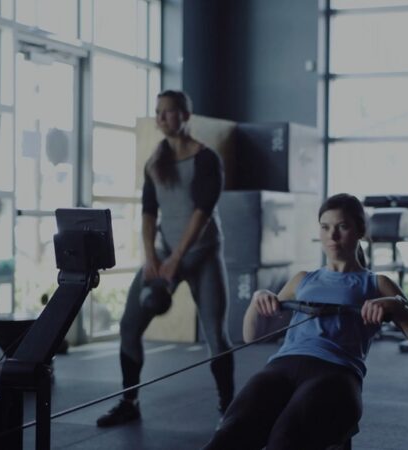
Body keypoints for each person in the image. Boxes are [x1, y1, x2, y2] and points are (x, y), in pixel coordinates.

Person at [203, 193, 408, 450]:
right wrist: (257, 301)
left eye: (342, 226)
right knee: (228, 435)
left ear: (360, 230)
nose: (332, 236)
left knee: (285, 440)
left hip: (335, 372)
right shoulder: (303, 279)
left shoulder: (376, 283)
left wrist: (399, 308)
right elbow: (253, 336)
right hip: (282, 367)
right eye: (325, 227)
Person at [97, 90, 234, 427]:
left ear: (186, 115)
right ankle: (130, 401)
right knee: (129, 326)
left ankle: (229, 409)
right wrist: (151, 256)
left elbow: (202, 213)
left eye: (169, 112)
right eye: (158, 112)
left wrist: (177, 258)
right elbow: (148, 213)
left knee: (216, 334)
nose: (161, 118)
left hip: (202, 253)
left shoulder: (207, 159)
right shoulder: (154, 161)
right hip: (163, 251)